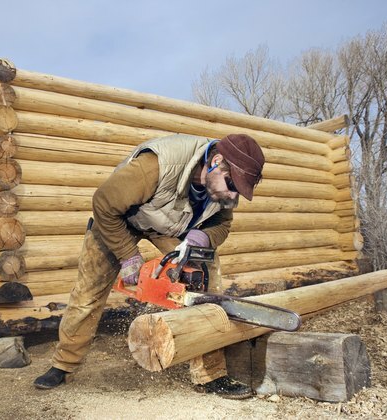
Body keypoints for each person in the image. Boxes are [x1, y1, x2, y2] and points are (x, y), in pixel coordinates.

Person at [34, 133, 265, 398]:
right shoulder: (157, 164)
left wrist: (201, 238)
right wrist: (128, 255)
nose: (232, 195)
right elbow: (104, 203)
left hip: (167, 225)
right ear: (217, 161)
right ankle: (63, 365)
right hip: (117, 221)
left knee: (207, 281)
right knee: (88, 293)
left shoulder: (224, 187)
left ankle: (210, 373)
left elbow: (222, 224)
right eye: (231, 185)